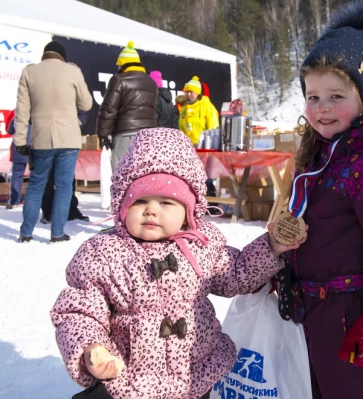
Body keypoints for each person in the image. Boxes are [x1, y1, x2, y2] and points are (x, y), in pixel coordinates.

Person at [50, 127, 306, 399]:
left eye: (166, 203)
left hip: (194, 376)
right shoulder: (104, 253)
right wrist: (91, 348)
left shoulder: (201, 245)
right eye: (140, 201)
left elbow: (237, 272)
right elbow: (80, 311)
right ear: (122, 205)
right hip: (127, 380)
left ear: (189, 210)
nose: (151, 210)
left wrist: (271, 247)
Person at [273, 2, 363, 399]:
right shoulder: (325, 150)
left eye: (336, 95)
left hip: (349, 311)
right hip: (312, 308)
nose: (322, 108)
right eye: (313, 96)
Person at [13, 41, 93, 243]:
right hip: (68, 136)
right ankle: (57, 233)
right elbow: (87, 103)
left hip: (41, 137)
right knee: (64, 186)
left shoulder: (29, 73)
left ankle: (26, 233)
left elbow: (22, 111)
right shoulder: (72, 71)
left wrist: (20, 138)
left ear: (45, 55)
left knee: (36, 185)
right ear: (62, 57)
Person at [96, 41, 157, 171]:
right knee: (141, 174)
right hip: (148, 135)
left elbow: (108, 109)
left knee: (121, 175)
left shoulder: (119, 80)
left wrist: (103, 134)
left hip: (125, 134)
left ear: (122, 64)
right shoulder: (151, 82)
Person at [178, 76, 219, 145]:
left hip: (203, 145)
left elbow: (213, 127)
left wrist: (210, 144)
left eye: (191, 92)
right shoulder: (184, 109)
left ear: (198, 93)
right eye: (186, 92)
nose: (188, 94)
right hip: (188, 146)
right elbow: (181, 128)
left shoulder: (207, 106)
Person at [5, 111, 31, 209]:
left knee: (17, 174)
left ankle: (14, 201)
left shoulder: (18, 114)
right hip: (36, 147)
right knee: (36, 175)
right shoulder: (39, 113)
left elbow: (9, 130)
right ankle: (32, 200)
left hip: (19, 147)